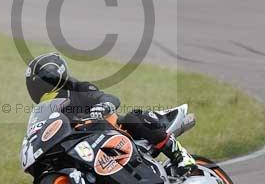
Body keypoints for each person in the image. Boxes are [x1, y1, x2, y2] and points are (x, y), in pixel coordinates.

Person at [25, 52, 196, 176]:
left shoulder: (78, 89)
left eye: (40, 84)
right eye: (34, 86)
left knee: (132, 118)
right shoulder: (46, 110)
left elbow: (107, 97)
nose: (37, 89)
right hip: (90, 149)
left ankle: (181, 156)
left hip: (115, 132)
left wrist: (103, 106)